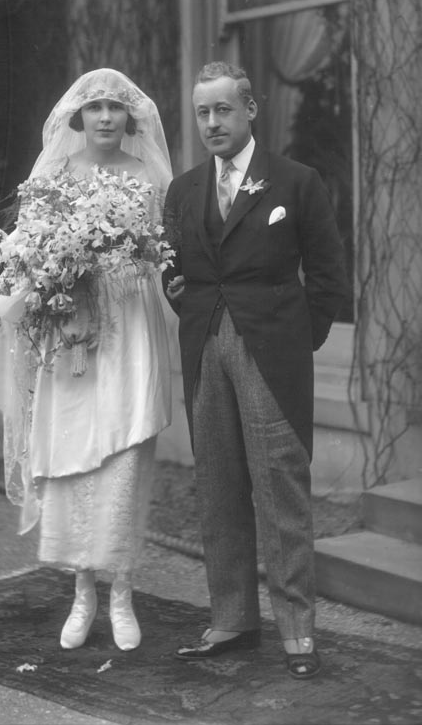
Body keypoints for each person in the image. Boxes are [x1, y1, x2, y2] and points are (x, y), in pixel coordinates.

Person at [162, 61, 348, 679]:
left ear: (249, 111)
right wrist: (178, 291)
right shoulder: (184, 190)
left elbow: (327, 279)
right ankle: (233, 619)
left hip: (270, 351)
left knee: (280, 488)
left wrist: (297, 340)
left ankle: (297, 631)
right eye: (203, 112)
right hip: (204, 348)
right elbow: (176, 270)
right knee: (217, 486)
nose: (212, 123)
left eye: (223, 110)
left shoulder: (295, 183)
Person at [0, 68, 173, 652]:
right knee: (74, 455)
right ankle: (83, 592)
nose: (107, 118)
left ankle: (122, 593)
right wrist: (54, 269)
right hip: (73, 329)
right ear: (78, 119)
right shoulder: (55, 176)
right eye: (96, 109)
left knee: (124, 454)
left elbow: (162, 252)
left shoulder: (148, 177)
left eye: (117, 108)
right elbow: (29, 260)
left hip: (131, 327)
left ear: (131, 118)